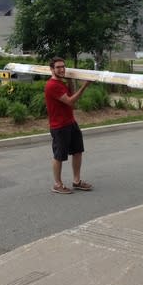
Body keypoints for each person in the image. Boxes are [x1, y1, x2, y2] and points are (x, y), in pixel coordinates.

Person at [45, 57, 93, 194]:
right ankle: (57, 184)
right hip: (59, 126)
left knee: (78, 151)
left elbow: (71, 95)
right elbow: (71, 101)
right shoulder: (52, 85)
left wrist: (70, 81)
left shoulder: (61, 83)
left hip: (71, 122)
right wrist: (85, 85)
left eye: (63, 67)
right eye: (58, 67)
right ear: (52, 69)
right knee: (59, 155)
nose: (61, 69)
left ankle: (76, 181)